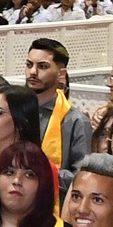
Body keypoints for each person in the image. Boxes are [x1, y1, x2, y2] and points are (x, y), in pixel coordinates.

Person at [23, 38, 91, 173]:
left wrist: (43, 172)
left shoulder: (75, 121)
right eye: (29, 65)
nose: (33, 72)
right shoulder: (12, 109)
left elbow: (80, 175)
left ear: (61, 73)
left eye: (43, 66)